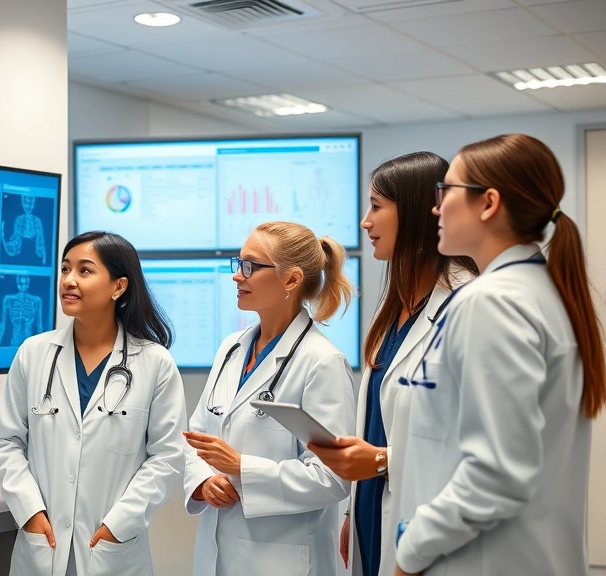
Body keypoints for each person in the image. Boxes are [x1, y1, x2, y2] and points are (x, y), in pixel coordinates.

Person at [394, 134, 606, 576]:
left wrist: (411, 553)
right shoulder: (542, 291)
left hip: (481, 560)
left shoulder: (493, 302)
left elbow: (497, 473)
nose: (436, 207)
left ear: (488, 203)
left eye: (445, 191)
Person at [308, 153, 476, 576]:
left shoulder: (468, 304)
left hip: (428, 518)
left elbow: (476, 441)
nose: (365, 221)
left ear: (419, 213)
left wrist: (383, 460)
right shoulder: (392, 309)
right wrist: (350, 512)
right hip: (371, 511)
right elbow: (377, 420)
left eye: (377, 206)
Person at [0, 230, 187, 576]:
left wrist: (118, 525)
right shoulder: (34, 354)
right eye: (65, 269)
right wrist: (30, 512)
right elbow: (5, 441)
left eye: (85, 270)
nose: (69, 280)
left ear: (118, 287)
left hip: (112, 548)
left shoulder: (154, 363)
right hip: (43, 545)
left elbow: (167, 458)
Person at [183, 221, 357, 576]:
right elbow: (195, 436)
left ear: (291, 280)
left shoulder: (322, 362)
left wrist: (241, 468)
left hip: (283, 562)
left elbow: (333, 477)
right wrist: (203, 480)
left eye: (250, 266)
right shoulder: (231, 348)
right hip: (217, 554)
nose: (237, 276)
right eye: (238, 263)